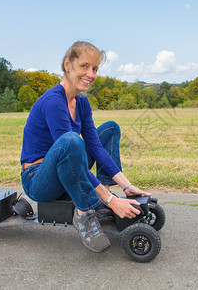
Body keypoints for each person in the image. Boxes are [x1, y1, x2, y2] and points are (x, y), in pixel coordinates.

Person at [20, 41, 150, 253]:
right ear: (67, 65)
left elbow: (96, 147)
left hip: (65, 167)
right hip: (38, 179)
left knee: (109, 129)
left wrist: (126, 186)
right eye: (84, 66)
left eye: (95, 69)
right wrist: (111, 201)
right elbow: (69, 151)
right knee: (71, 141)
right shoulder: (53, 101)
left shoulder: (81, 102)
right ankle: (84, 212)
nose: (91, 74)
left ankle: (104, 191)